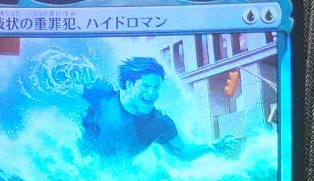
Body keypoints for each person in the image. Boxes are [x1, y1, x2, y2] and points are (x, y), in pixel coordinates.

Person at [79, 56, 242, 161]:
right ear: (129, 84)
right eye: (145, 86)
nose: (151, 94)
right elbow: (69, 87)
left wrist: (211, 147)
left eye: (156, 88)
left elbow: (182, 151)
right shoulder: (102, 94)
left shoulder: (159, 123)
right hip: (77, 172)